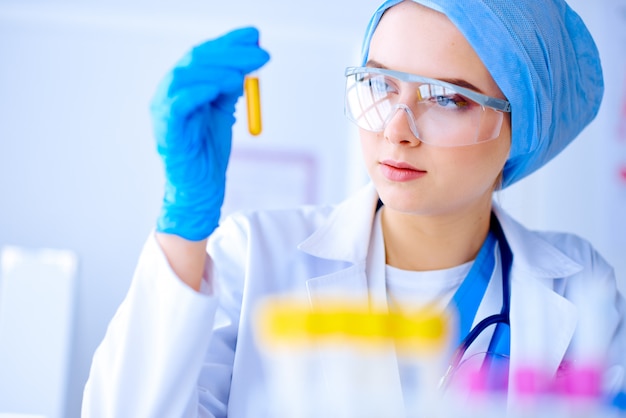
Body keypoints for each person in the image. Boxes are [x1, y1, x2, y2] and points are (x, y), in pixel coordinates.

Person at [82, 0, 626, 416]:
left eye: (448, 98)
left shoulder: (579, 285)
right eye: (380, 84)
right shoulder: (255, 257)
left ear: (522, 130)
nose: (396, 129)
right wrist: (182, 230)